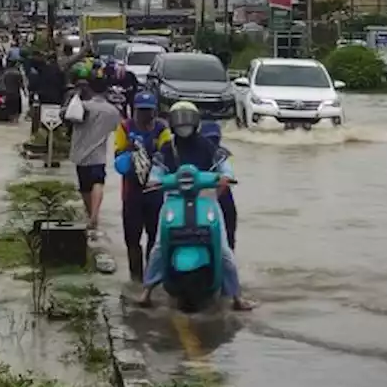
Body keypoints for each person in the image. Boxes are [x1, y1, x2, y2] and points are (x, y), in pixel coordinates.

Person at [136, 101, 256, 311]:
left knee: (224, 250)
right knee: (158, 246)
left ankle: (237, 297)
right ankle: (146, 292)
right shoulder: (166, 149)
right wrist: (155, 180)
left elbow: (224, 166)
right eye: (179, 120)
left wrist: (225, 177)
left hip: (205, 199)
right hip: (173, 200)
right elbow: (156, 171)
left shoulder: (207, 146)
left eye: (187, 119)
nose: (183, 125)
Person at [113, 92, 172, 282]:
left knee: (154, 237)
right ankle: (136, 278)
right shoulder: (125, 127)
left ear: (155, 111)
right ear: (135, 110)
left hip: (155, 192)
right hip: (132, 192)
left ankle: (151, 277)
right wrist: (129, 152)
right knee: (132, 238)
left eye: (149, 111)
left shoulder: (161, 129)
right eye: (142, 111)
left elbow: (168, 154)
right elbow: (118, 155)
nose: (146, 115)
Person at [68, 69, 123, 240]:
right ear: (106, 90)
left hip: (80, 154)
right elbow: (118, 129)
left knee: (85, 187)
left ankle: (91, 214)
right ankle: (94, 216)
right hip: (98, 155)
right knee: (98, 183)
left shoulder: (82, 107)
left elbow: (66, 116)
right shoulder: (112, 111)